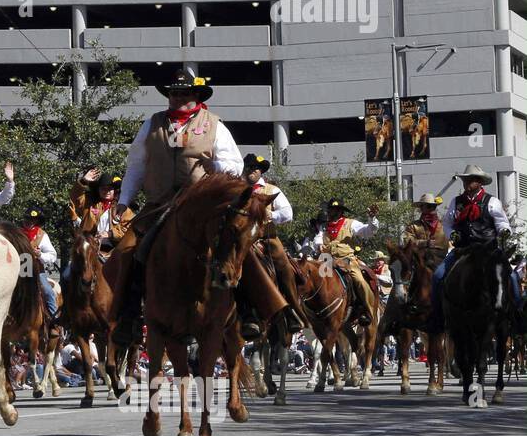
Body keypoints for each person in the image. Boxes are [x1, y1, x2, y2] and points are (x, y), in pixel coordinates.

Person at [106, 66, 296, 347]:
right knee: (128, 250)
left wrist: (215, 166)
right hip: (160, 204)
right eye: (173, 93)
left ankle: (252, 311)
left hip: (203, 206)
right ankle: (128, 316)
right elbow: (135, 166)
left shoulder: (214, 124)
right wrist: (124, 201)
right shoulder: (152, 124)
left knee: (239, 245)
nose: (178, 98)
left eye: (184, 93)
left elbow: (234, 165)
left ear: (196, 95)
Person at [428, 164, 517, 334]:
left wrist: (505, 230)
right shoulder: (456, 201)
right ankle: (437, 319)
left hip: (488, 249)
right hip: (463, 249)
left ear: (479, 182)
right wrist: (452, 233)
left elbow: (502, 222)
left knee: (511, 276)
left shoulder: (492, 202)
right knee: (437, 276)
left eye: (470, 180)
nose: (466, 183)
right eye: (465, 180)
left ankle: (514, 316)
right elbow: (447, 223)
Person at [241, 153, 306, 333]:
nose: (255, 171)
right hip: (242, 240)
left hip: (266, 239)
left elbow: (288, 213)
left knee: (284, 265)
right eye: (251, 167)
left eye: (258, 169)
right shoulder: (237, 188)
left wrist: (272, 215)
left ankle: (291, 309)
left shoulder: (270, 190)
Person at [312, 197, 381, 325]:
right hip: (326, 260)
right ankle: (313, 310)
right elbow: (318, 238)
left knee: (359, 281)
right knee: (314, 281)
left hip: (346, 259)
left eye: (336, 209)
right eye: (331, 209)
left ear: (341, 211)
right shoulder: (323, 226)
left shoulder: (351, 223)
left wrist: (372, 219)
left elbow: (368, 231)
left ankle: (366, 310)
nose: (332, 212)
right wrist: (319, 245)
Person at [21, 207, 60, 323]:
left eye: (33, 220)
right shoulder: (17, 233)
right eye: (28, 219)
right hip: (19, 268)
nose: (29, 221)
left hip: (36, 269)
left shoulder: (42, 235)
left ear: (37, 221)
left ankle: (55, 321)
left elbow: (52, 255)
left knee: (48, 291)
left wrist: (40, 254)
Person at [404, 193, 451, 270]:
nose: (421, 208)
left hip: (441, 262)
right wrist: (424, 243)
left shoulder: (444, 225)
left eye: (422, 206)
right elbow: (407, 242)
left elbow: (451, 243)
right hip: (419, 263)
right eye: (421, 206)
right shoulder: (413, 226)